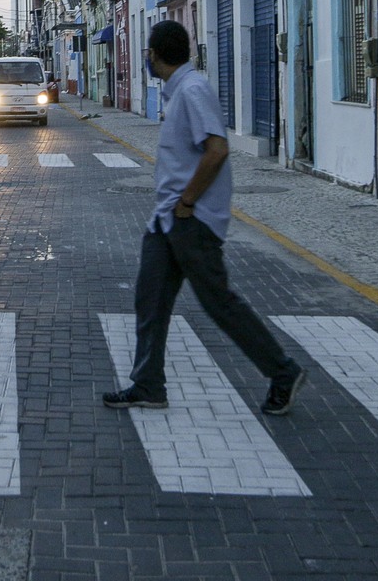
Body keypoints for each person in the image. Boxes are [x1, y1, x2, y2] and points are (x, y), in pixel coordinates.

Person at [104, 20, 306, 416]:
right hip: (167, 220)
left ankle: (283, 371)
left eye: (147, 51)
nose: (146, 57)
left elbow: (216, 149)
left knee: (219, 302)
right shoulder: (178, 91)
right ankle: (148, 385)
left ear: (155, 54)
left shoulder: (193, 90)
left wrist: (188, 201)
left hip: (189, 219)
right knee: (150, 299)